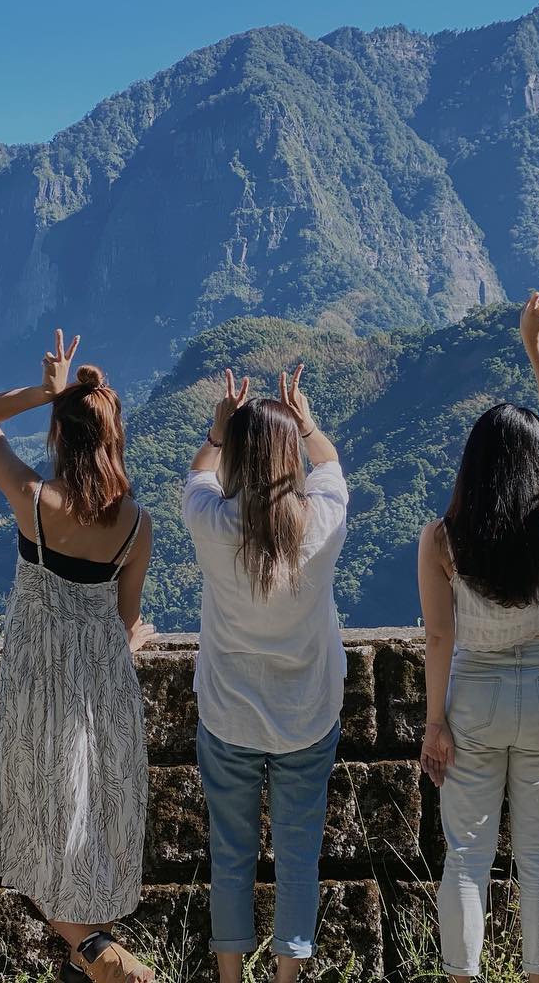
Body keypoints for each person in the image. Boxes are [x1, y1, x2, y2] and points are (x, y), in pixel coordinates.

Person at [0, 329, 155, 983]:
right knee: (90, 833)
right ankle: (93, 952)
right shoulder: (136, 524)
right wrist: (130, 642)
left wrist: (44, 390)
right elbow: (125, 618)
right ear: (114, 438)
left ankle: (95, 951)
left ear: (60, 436)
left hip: (40, 687)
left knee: (41, 834)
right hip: (106, 689)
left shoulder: (35, 503)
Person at [418, 292, 539, 983]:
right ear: (530, 466)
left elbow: (438, 638)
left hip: (476, 695)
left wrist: (435, 724)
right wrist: (535, 346)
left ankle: (463, 975)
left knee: (467, 858)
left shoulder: (441, 538)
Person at [183, 365, 348, 983]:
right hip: (307, 714)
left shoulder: (211, 522)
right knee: (299, 857)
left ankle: (230, 975)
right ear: (288, 457)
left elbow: (198, 475)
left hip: (228, 714)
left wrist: (217, 431)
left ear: (238, 456)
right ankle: (287, 977)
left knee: (230, 852)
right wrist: (304, 421)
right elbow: (329, 464)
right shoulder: (322, 522)